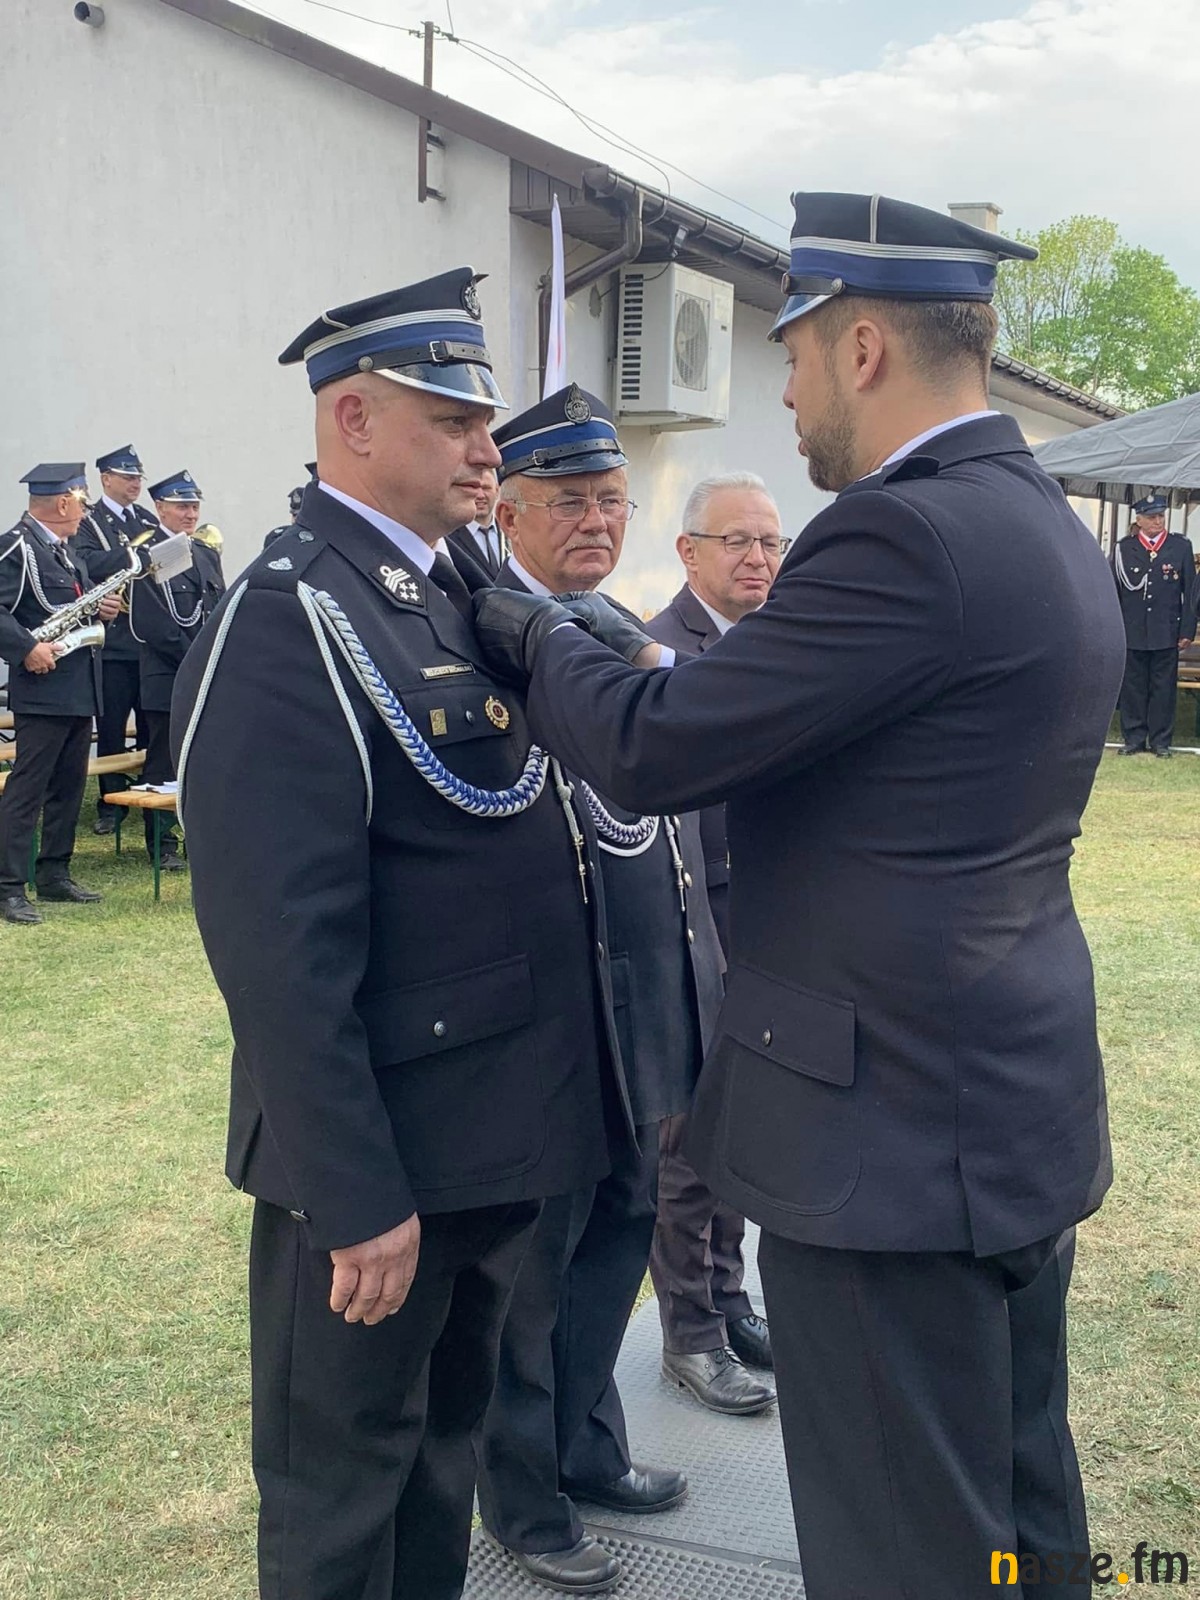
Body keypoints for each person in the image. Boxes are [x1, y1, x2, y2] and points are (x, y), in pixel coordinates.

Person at [470, 190, 1128, 1600]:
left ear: (864, 346)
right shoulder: (1038, 521)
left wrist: (534, 634)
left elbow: (654, 751)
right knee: (1014, 1512)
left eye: (796, 352)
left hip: (889, 1144)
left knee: (905, 1543)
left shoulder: (899, 536)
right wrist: (648, 661)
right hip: (1001, 1109)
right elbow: (816, 720)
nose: (785, 389)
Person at [170, 268, 631, 1600]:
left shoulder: (453, 588)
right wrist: (356, 1194)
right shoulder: (289, 612)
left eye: (484, 421)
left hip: (486, 1140)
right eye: (453, 420)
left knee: (439, 1464)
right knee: (342, 1501)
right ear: (355, 420)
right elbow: (278, 952)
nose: (489, 450)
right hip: (382, 1167)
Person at [475, 386, 729, 1596]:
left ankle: (586, 1445)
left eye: (612, 499)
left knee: (618, 1233)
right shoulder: (487, 637)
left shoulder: (615, 627)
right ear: (508, 512)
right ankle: (523, 1496)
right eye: (569, 500)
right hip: (552, 1015)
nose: (597, 520)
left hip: (643, 1002)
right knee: (537, 1267)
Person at [644, 471, 786, 1412]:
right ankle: (689, 1333)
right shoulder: (660, 649)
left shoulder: (780, 641)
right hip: (703, 920)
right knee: (694, 1145)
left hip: (774, 922)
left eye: (770, 542)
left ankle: (730, 1300)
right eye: (737, 542)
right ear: (689, 552)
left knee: (747, 1132)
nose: (758, 559)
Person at [0, 464, 118, 923]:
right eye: (82, 502)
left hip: (78, 686)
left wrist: (101, 611)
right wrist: (25, 648)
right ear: (64, 501)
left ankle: (54, 873)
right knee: (27, 790)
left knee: (68, 788)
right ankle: (9, 887)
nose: (85, 512)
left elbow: (69, 606)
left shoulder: (65, 554)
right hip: (43, 689)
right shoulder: (17, 547)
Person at [129, 471, 225, 870]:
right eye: (182, 506)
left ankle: (201, 835)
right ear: (160, 508)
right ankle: (162, 843)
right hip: (168, 676)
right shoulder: (149, 554)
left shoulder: (204, 551)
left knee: (202, 758)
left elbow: (217, 609)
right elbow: (154, 624)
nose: (190, 514)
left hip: (204, 675)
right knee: (163, 763)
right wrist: (197, 658)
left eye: (194, 506)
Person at [76, 444, 158, 834]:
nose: (135, 484)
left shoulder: (146, 519)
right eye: (127, 477)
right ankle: (110, 803)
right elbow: (85, 561)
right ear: (106, 479)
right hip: (113, 641)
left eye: (137, 477)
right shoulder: (90, 521)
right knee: (110, 727)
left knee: (150, 726)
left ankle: (148, 794)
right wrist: (132, 557)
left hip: (146, 639)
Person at [1112, 492, 1196, 757]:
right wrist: (1114, 629)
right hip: (1133, 628)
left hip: (1166, 629)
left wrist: (1187, 630)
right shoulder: (1124, 548)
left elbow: (1190, 593)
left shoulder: (1179, 546)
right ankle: (1134, 738)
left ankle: (1160, 741)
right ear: (1139, 520)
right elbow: (1114, 592)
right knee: (1133, 686)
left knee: (1163, 688)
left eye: (1161, 516)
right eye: (1151, 517)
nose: (1158, 521)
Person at [447, 464, 503, 577]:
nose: (480, 495)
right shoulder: (449, 537)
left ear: (497, 491)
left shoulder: (512, 532)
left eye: (486, 488)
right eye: (474, 488)